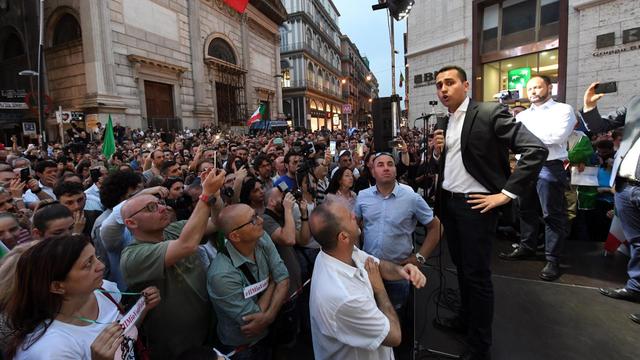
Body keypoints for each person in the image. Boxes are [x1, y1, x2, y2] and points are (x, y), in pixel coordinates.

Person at [432, 65, 547, 359]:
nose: (443, 89)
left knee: (477, 276)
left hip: (477, 205)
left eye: (449, 83)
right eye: (439, 85)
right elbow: (459, 162)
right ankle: (464, 321)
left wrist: (506, 194)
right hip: (451, 204)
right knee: (462, 269)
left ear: (466, 85)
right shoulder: (447, 122)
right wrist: (437, 153)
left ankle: (480, 346)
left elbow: (535, 149)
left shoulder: (489, 113)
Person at [120, 168, 225, 359]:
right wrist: (205, 195)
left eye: (159, 203)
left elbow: (217, 222)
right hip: (172, 345)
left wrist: (215, 197)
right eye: (151, 208)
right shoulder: (133, 256)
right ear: (131, 223)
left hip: (206, 328)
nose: (162, 208)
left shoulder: (174, 229)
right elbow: (186, 245)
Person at [3, 234, 160, 359]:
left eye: (96, 257)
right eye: (88, 264)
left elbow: (122, 333)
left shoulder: (103, 290)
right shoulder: (52, 349)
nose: (102, 266)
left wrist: (142, 309)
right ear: (57, 286)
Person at [309, 199, 426, 360]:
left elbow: (375, 264)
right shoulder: (344, 297)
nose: (354, 215)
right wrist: (379, 288)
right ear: (343, 237)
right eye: (349, 217)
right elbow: (394, 335)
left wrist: (402, 271)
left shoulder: (338, 250)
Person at [354, 151, 441, 357]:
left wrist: (420, 258)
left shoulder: (411, 197)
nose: (386, 167)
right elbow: (354, 226)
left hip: (398, 273)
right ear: (372, 171)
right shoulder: (363, 197)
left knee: (395, 321)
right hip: (369, 271)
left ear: (395, 169)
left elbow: (436, 228)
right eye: (380, 164)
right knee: (371, 320)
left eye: (390, 164)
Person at [500, 75, 577, 281]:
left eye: (537, 87)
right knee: (525, 210)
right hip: (525, 165)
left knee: (552, 214)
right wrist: (528, 140)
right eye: (530, 88)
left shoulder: (563, 110)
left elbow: (557, 136)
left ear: (549, 88)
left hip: (549, 166)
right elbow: (514, 141)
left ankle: (552, 259)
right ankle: (527, 247)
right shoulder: (523, 116)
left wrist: (526, 139)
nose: (533, 91)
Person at [579, 82, 640, 323]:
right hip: (625, 187)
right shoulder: (636, 102)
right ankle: (635, 287)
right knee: (636, 242)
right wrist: (589, 107)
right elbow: (600, 127)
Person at [207, 204, 290, 359]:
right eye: (252, 220)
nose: (260, 220)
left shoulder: (261, 237)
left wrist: (269, 317)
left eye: (256, 214)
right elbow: (253, 318)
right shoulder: (221, 276)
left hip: (268, 331)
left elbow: (284, 277)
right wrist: (273, 282)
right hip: (241, 346)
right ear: (235, 236)